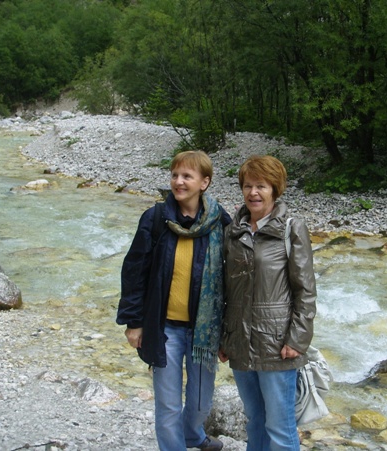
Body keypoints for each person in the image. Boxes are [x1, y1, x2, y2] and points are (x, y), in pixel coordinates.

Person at [117, 150, 231, 451]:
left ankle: (192, 434)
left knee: (200, 401)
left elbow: (231, 279)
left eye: (187, 176)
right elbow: (134, 271)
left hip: (204, 331)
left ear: (204, 183)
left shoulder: (219, 221)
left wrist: (229, 332)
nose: (178, 182)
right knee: (168, 405)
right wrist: (134, 322)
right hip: (164, 327)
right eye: (175, 175)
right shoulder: (156, 219)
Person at [219, 155, 317, 451]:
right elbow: (226, 290)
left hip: (277, 344)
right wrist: (224, 337)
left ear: (275, 189)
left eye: (261, 186)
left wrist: (297, 339)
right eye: (248, 186)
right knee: (255, 420)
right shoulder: (232, 231)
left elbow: (305, 290)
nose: (253, 193)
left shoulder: (291, 228)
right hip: (240, 340)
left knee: (280, 425)